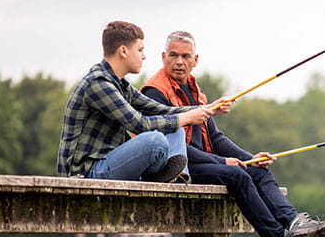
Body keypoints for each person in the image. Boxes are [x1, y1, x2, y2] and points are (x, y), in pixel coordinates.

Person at [142, 30, 325, 237]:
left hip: (204, 162)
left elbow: (215, 138)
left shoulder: (196, 91)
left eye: (185, 56)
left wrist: (250, 159)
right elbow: (171, 147)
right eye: (173, 55)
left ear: (195, 60)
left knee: (258, 171)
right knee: (237, 176)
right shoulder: (155, 91)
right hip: (177, 168)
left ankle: (295, 223)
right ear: (163, 56)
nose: (179, 62)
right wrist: (222, 162)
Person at [57, 21, 231, 183]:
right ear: (123, 51)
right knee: (155, 140)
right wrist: (187, 118)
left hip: (109, 164)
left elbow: (160, 109)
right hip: (87, 173)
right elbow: (139, 124)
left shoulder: (120, 85)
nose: (144, 56)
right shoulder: (98, 84)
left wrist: (208, 109)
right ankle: (167, 179)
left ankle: (179, 179)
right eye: (140, 50)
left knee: (175, 128)